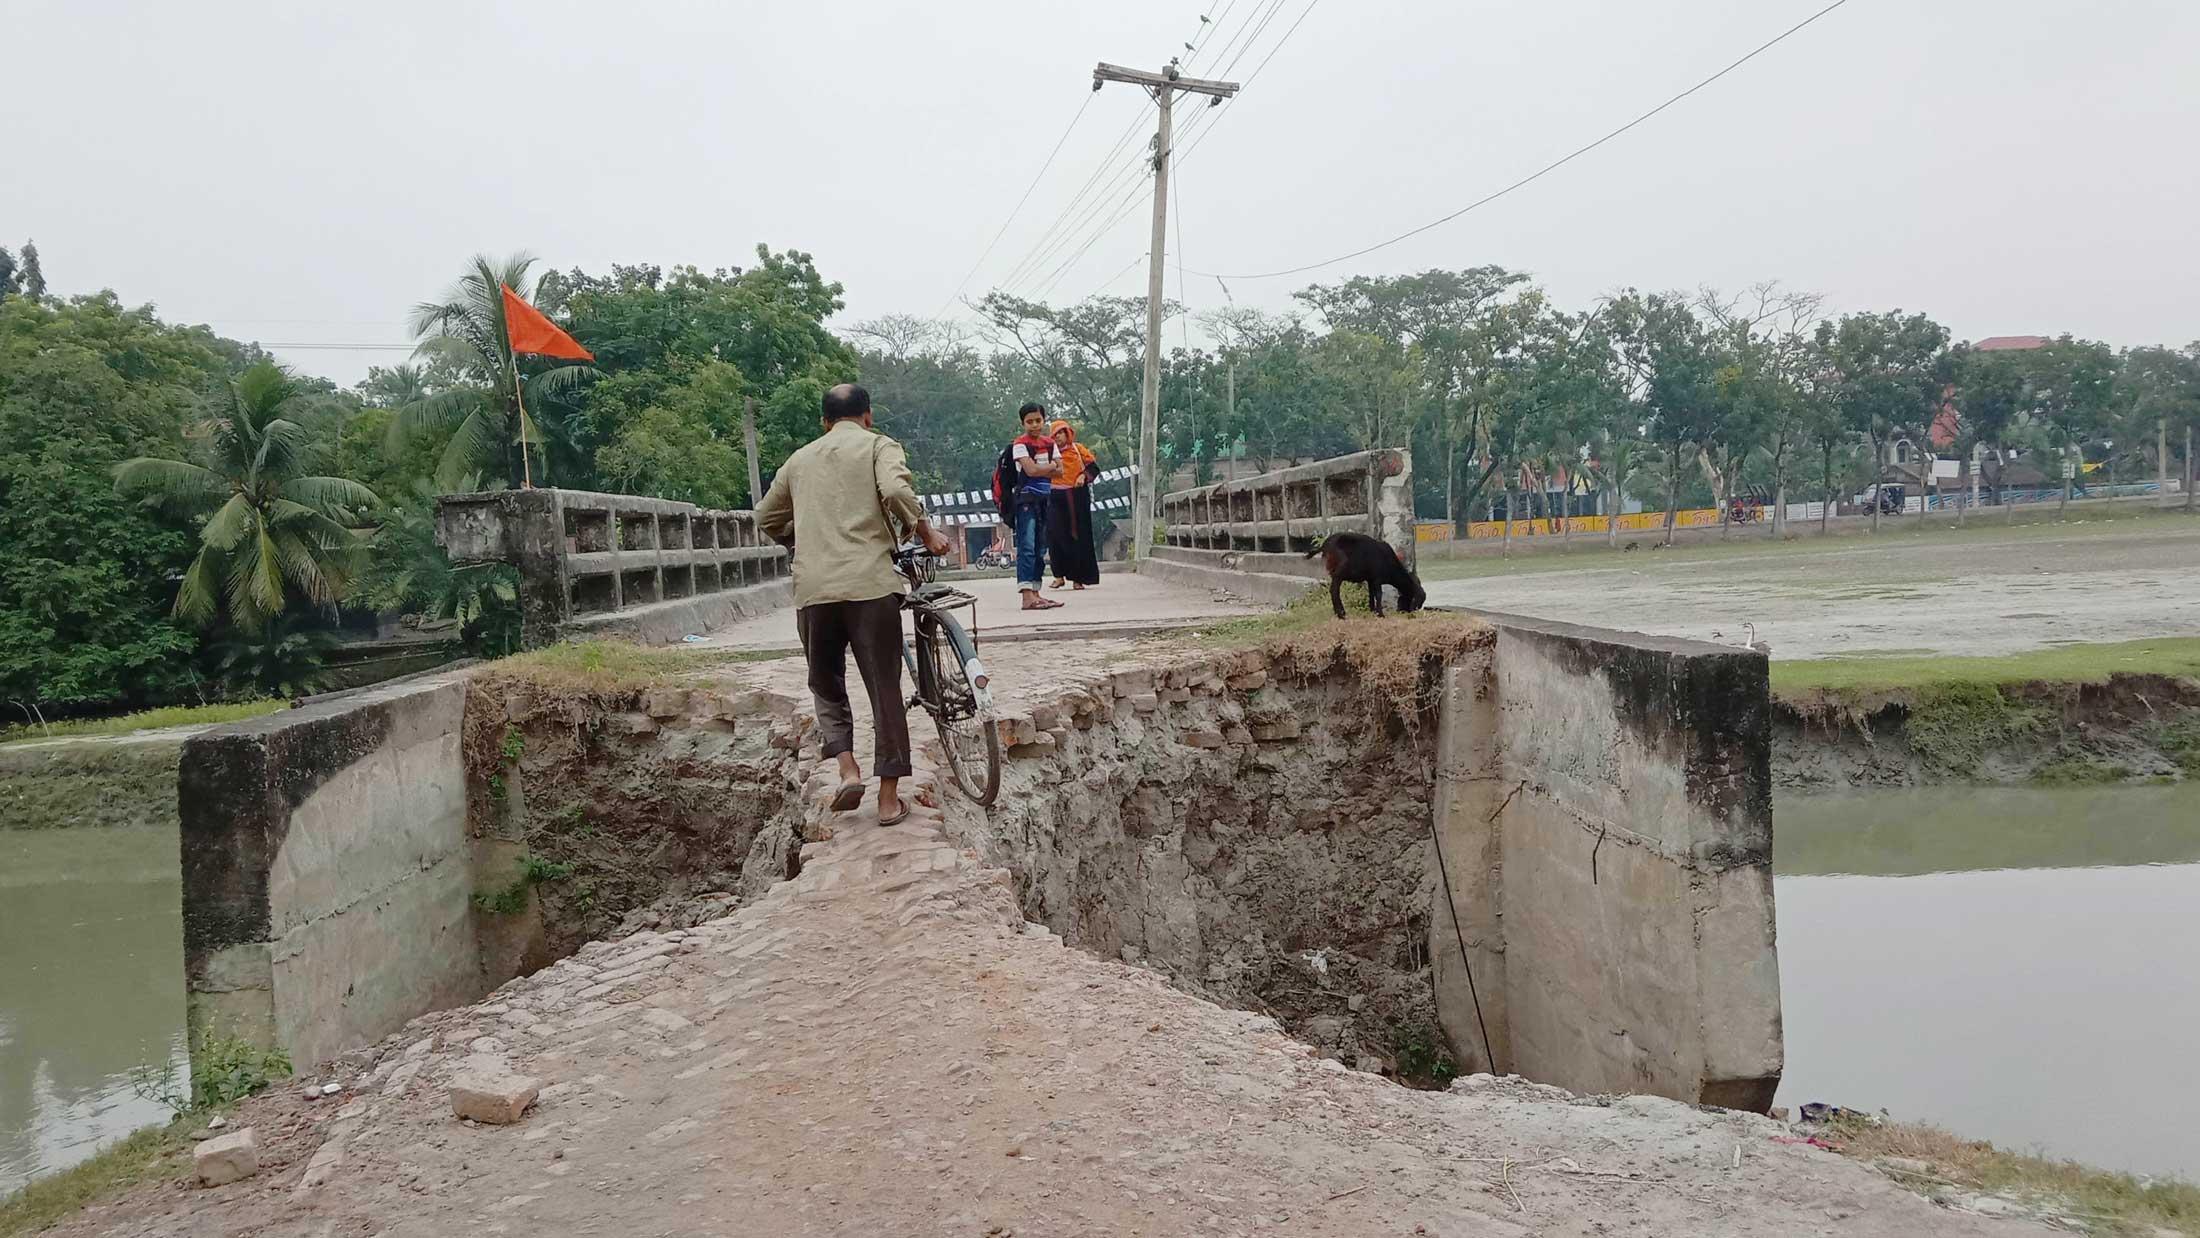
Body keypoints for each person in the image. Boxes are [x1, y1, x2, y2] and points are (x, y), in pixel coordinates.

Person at [755, 383, 951, 825]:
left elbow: (765, 516)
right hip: (870, 585)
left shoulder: (799, 459)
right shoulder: (879, 446)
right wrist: (924, 532)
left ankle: (847, 770)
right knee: (884, 686)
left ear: (824, 422)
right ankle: (886, 800)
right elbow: (897, 492)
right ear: (868, 416)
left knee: (825, 683)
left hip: (814, 590)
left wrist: (800, 541)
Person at [1008, 401, 1064, 610]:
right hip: (1026, 500)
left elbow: (1061, 471)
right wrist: (1049, 466)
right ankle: (1026, 596)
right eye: (1029, 421)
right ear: (1023, 423)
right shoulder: (1020, 444)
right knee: (1027, 546)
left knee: (1041, 547)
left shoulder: (1050, 443)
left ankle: (1036, 592)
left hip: (1044, 499)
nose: (1034, 425)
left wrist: (1044, 468)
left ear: (1044, 420)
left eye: (1038, 420)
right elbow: (1030, 471)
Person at [1045, 419, 1102, 590]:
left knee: (1078, 536)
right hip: (1054, 495)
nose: (1058, 437)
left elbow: (1093, 468)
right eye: (1055, 435)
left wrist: (1083, 476)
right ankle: (1058, 576)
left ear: (1068, 434)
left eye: (1061, 433)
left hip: (1076, 496)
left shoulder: (1078, 449)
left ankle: (1079, 578)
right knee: (1055, 536)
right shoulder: (1047, 453)